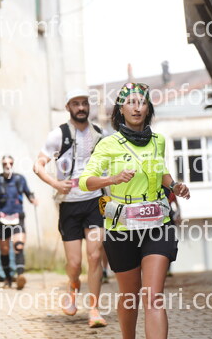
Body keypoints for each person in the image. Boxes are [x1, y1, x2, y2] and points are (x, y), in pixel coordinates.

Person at [79, 82, 190, 339]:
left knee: (154, 296)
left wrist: (174, 185)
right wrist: (112, 179)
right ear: (121, 109)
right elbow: (85, 181)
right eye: (130, 102)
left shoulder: (158, 141)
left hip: (157, 224)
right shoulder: (108, 144)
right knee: (130, 296)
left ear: (148, 108)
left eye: (142, 102)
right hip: (122, 228)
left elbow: (160, 171)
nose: (137, 107)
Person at [33, 89, 107, 328]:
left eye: (84, 103)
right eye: (76, 104)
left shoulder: (101, 135)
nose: (81, 107)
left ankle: (94, 309)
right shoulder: (58, 135)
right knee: (74, 263)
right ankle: (73, 285)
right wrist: (55, 183)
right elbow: (38, 165)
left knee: (95, 256)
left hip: (95, 201)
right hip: (69, 205)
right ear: (68, 107)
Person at [0, 155, 38, 289]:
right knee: (4, 249)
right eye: (5, 164)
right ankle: (7, 279)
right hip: (1, 218)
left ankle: (20, 276)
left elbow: (28, 193)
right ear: (2, 165)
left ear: (13, 164)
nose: (8, 166)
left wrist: (33, 199)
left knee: (19, 245)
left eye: (10, 163)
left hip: (17, 216)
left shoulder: (20, 179)